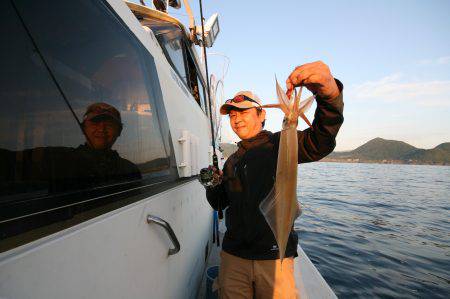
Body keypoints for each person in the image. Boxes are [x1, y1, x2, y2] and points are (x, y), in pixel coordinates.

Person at [205, 61, 344, 299]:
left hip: (273, 258)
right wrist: (212, 183)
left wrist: (330, 96)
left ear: (262, 114)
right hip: (233, 256)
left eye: (244, 112)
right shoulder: (232, 161)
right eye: (232, 115)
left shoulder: (280, 144)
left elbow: (321, 140)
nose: (237, 119)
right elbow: (219, 203)